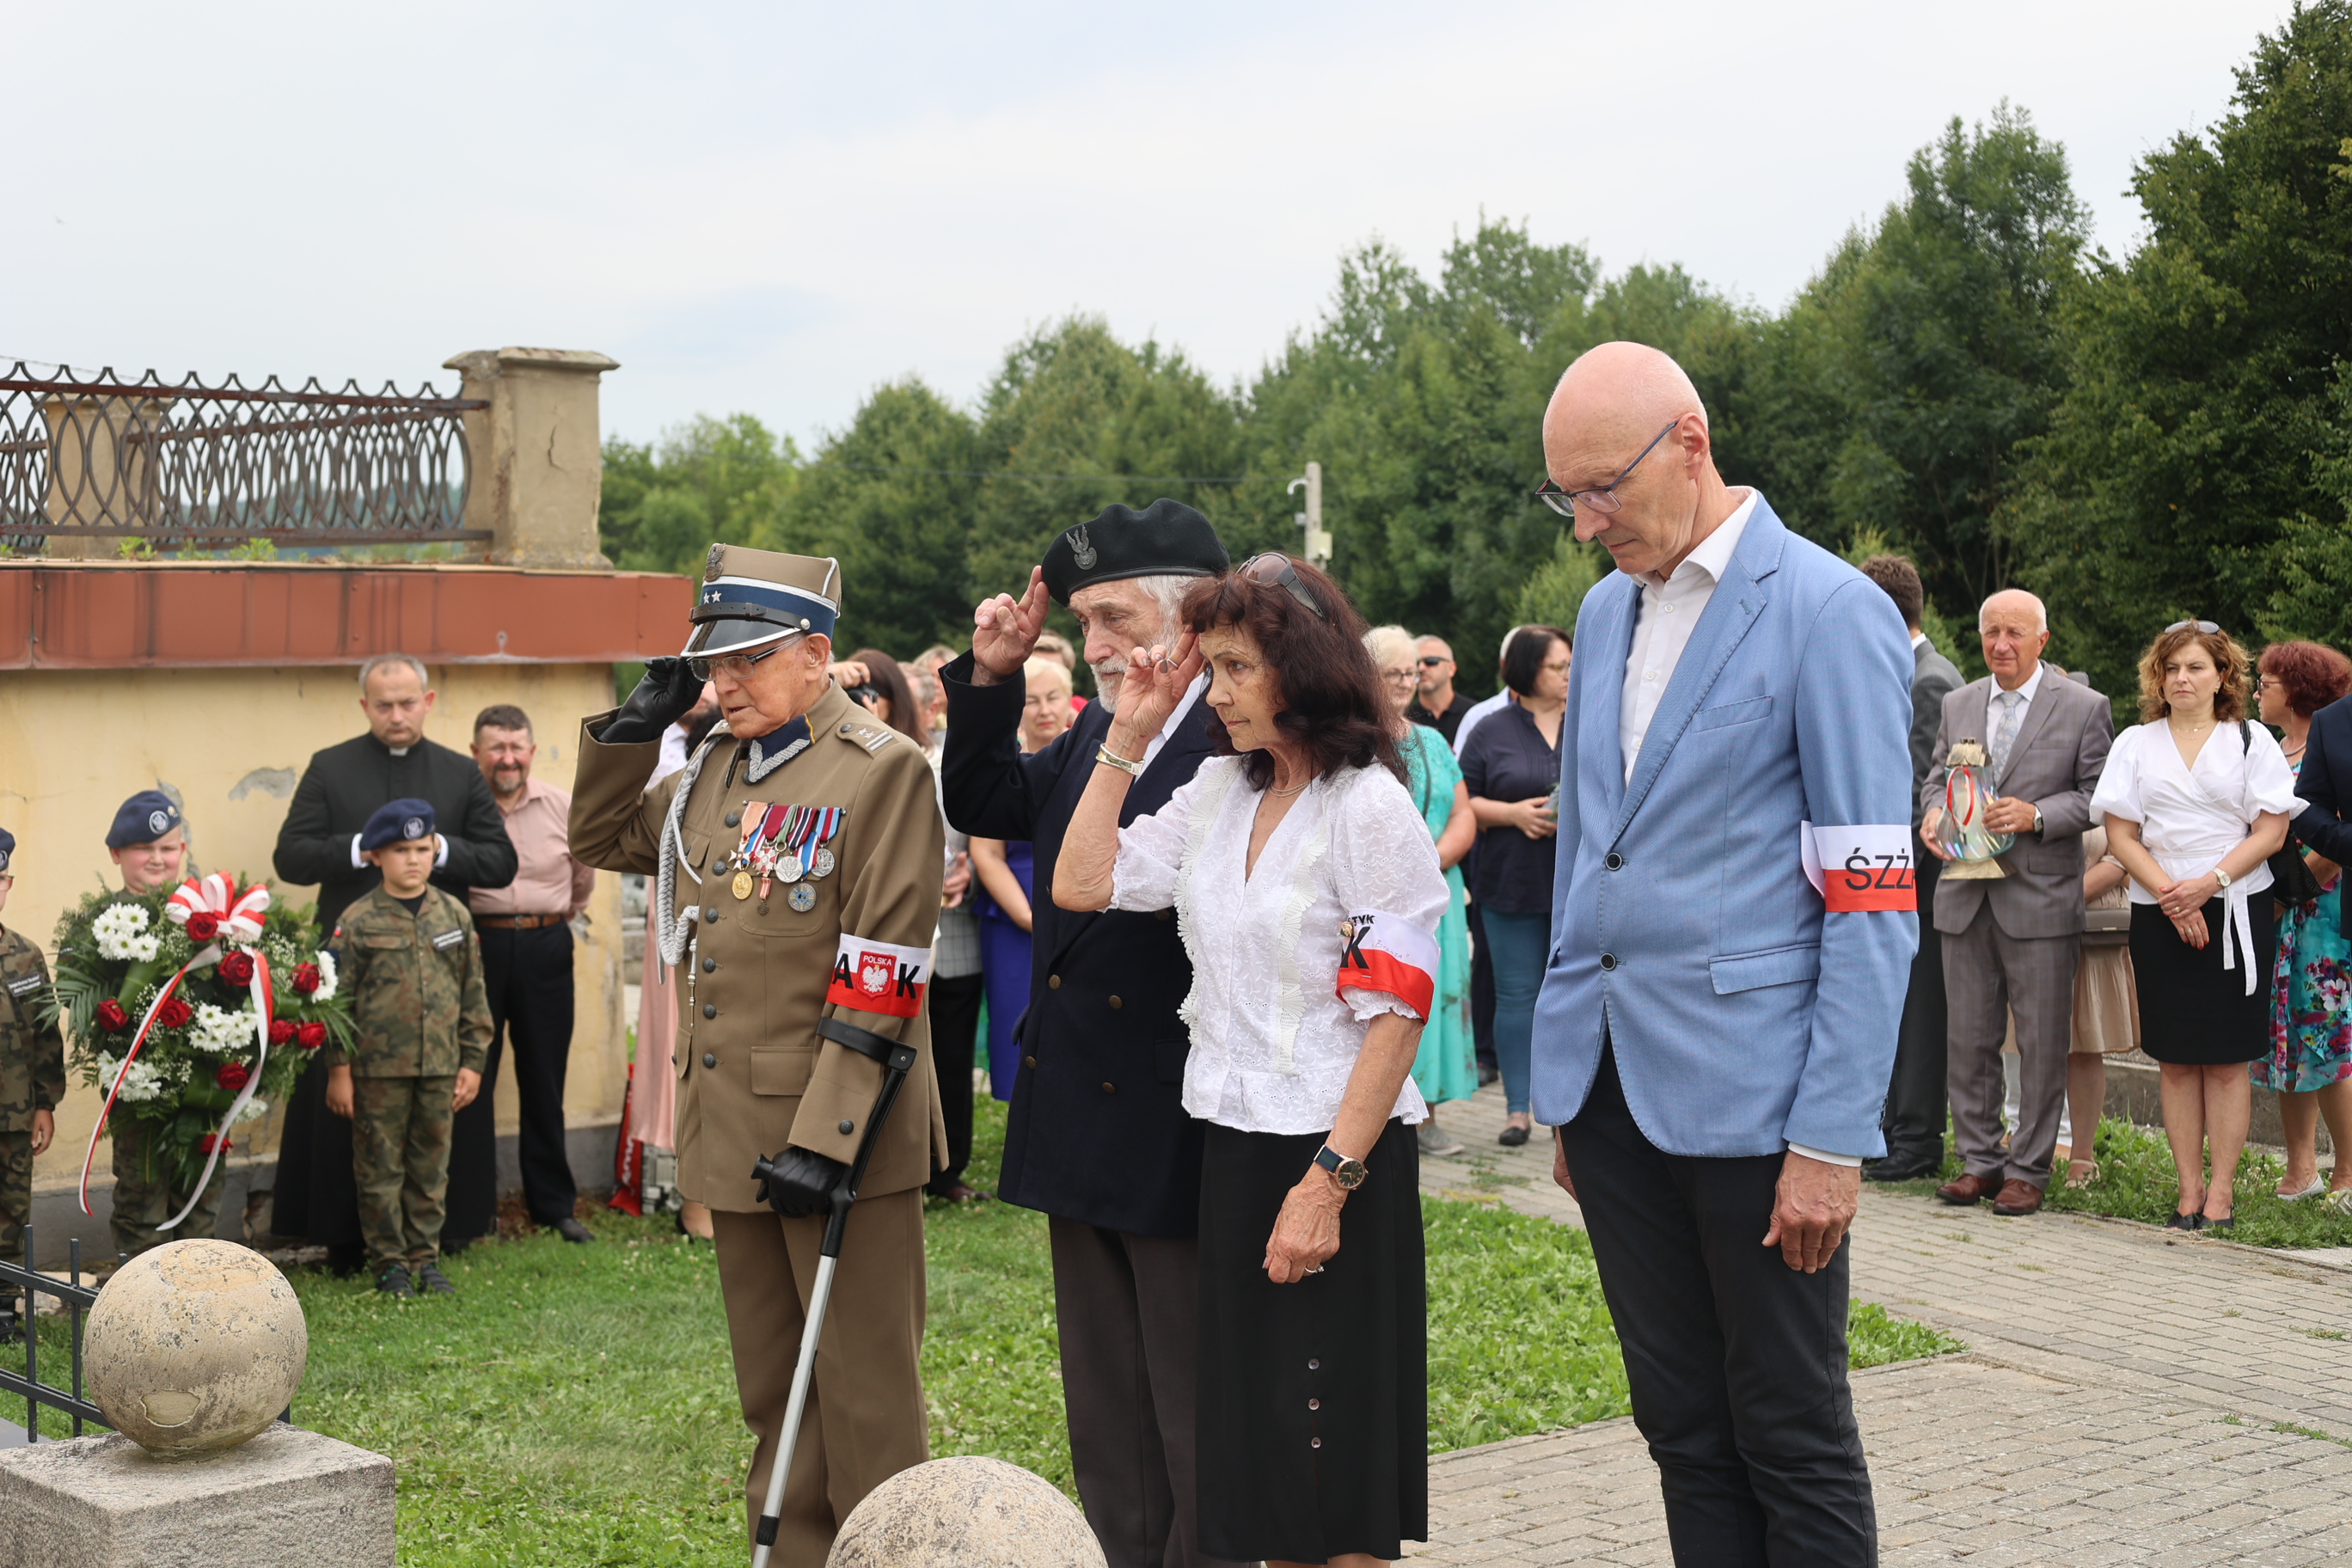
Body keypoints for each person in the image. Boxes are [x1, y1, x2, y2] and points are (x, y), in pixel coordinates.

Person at [1528, 342, 1916, 1565]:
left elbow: (1873, 900)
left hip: (1762, 1107)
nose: (1586, 525)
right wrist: (1568, 1090)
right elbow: (1586, 852)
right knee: (1683, 1431)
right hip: (1612, 1096)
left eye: (1604, 489)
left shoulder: (1830, 610)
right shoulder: (1604, 611)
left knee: (1792, 1432)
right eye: (1565, 497)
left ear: (1689, 444)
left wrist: (1832, 1139)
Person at [1053, 551, 1447, 1568]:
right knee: (1263, 1467)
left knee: (1333, 1469)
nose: (1215, 692)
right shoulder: (1218, 790)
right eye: (1212, 667)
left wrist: (1328, 1183)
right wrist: (1127, 738)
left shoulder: (1367, 807)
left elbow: (1397, 1016)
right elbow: (1083, 883)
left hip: (1335, 1154)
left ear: (1303, 668)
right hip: (1232, 1148)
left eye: (1235, 668)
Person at [569, 543, 946, 1561]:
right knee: (776, 1391)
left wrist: (827, 1139)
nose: (725, 683)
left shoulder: (880, 770)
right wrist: (633, 728)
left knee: (865, 1395)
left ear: (816, 655)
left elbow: (884, 970)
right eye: (713, 664)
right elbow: (603, 840)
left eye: (749, 660)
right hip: (734, 1130)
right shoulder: (715, 768)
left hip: (839, 1138)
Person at [942, 499, 1234, 1568]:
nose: (1096, 644)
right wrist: (993, 676)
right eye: (1085, 623)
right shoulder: (1098, 734)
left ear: (1189, 621)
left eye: (1115, 618)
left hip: (1175, 1113)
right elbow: (982, 797)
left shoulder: (1234, 733)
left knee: (1191, 1404)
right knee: (1109, 1407)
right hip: (1078, 1108)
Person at [272, 654, 517, 1271]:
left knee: (440, 1110)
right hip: (351, 967)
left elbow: (500, 862)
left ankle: (442, 1236)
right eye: (384, 705)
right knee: (346, 1104)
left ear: (427, 702)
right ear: (365, 707)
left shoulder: (460, 773)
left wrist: (436, 850)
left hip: (437, 964)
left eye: (408, 703)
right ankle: (345, 1238)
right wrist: (363, 848)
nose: (397, 715)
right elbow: (291, 856)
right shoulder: (330, 767)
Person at [2093, 622, 2296, 1232]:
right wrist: (2171, 896)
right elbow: (2120, 835)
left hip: (2235, 907)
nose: (2181, 678)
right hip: (2159, 909)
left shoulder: (2250, 741)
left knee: (2227, 1061)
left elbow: (2271, 830)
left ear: (2222, 675)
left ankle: (2222, 1195)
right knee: (2176, 1058)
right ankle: (2188, 1191)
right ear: (2158, 678)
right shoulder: (2135, 743)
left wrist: (2210, 883)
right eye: (2171, 668)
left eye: (2195, 667)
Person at [1919, 591, 2113, 1218]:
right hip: (1965, 892)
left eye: (2014, 633)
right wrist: (1933, 813)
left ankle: (2029, 1168)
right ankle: (1979, 1160)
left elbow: (2099, 796)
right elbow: (1936, 777)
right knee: (1968, 1039)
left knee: (2041, 1043)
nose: (2001, 644)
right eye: (1991, 633)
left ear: (2042, 640)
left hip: (2040, 896)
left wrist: (2037, 815)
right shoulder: (1959, 701)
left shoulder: (2083, 706)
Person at [444, 705, 598, 1250]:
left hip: (545, 947)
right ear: (476, 753)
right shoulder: (459, 810)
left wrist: (546, 921)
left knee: (544, 1078)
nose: (507, 759)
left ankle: (554, 1207)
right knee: (470, 1077)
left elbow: (582, 879)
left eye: (516, 748)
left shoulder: (562, 805)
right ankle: (468, 1211)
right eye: (496, 748)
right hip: (475, 949)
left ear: (531, 752)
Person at [326, 800, 491, 1297]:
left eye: (422, 848)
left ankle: (425, 1258)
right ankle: (389, 1262)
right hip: (377, 1071)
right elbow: (335, 1002)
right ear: (376, 856)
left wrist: (473, 1062)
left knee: (430, 1166)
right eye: (401, 850)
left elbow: (473, 993)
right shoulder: (357, 920)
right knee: (379, 1168)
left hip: (440, 1066)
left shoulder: (454, 914)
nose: (413, 859)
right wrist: (339, 1071)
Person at [1857, 555, 1965, 1181]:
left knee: (1920, 1013)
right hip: (1895, 871)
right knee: (1894, 1010)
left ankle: (1918, 1140)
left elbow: (1922, 790)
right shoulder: (1905, 670)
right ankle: (1893, 1131)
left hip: (1916, 877)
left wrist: (1882, 881)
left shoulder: (1930, 680)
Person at [96, 791, 230, 1255]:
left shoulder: (212, 918)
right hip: (140, 1095)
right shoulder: (99, 925)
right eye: (143, 848)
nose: (157, 858)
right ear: (116, 853)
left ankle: (200, 1293)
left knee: (202, 1196)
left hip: (207, 1089)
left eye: (167, 848)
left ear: (183, 851)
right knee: (142, 1201)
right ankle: (138, 1298)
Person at [1459, 625, 1570, 1147]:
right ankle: (1518, 1109)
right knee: (1518, 996)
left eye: (1571, 664)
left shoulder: (1591, 718)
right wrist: (1512, 814)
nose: (1569, 674)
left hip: (1578, 886)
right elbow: (1463, 801)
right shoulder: (1490, 729)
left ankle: (1567, 1112)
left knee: (1573, 999)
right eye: (1557, 666)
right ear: (1527, 670)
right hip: (1510, 883)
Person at [1369, 627, 1477, 1156]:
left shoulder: (1432, 741)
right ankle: (1377, 1117)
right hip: (1379, 893)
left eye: (1411, 672)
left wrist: (1432, 863)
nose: (1406, 682)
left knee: (1437, 997)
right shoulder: (1352, 739)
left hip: (1439, 889)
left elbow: (1463, 812)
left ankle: (1428, 1113)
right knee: (1386, 999)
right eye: (1393, 672)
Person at [2252, 640, 2352, 1203]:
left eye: (2265, 682)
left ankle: (2348, 1172)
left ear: (2297, 688)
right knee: (2283, 1036)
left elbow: (2333, 846)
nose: (2256, 692)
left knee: (2326, 1036)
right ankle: (2301, 1169)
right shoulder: (2271, 749)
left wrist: (2286, 898)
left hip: (2320, 917)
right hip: (2278, 912)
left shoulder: (2332, 743)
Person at [970, 655, 1075, 1100]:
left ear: (1069, 699)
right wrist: (1031, 918)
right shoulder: (1003, 766)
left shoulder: (1099, 760)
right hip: (1015, 920)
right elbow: (986, 853)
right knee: (1018, 1033)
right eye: (1032, 701)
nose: (1044, 710)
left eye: (1053, 698)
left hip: (1081, 918)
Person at [0, 827, 64, 1341]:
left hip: (14, 1113)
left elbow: (45, 1037)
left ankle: (3, 1307)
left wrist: (46, 1104)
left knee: (10, 1209)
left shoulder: (25, 956)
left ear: (8, 884)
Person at [2063, 820, 2139, 1187]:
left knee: (2085, 1045)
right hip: (2029, 917)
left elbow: (2123, 852)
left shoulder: (2108, 783)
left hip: (2094, 921)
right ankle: (2031, 1150)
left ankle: (2082, 1157)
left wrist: (2062, 900)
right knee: (2032, 1041)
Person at [1406, 635, 1473, 744]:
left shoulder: (1474, 715)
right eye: (1416, 663)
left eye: (1431, 661)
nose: (1421, 668)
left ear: (1451, 668)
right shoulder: (1404, 720)